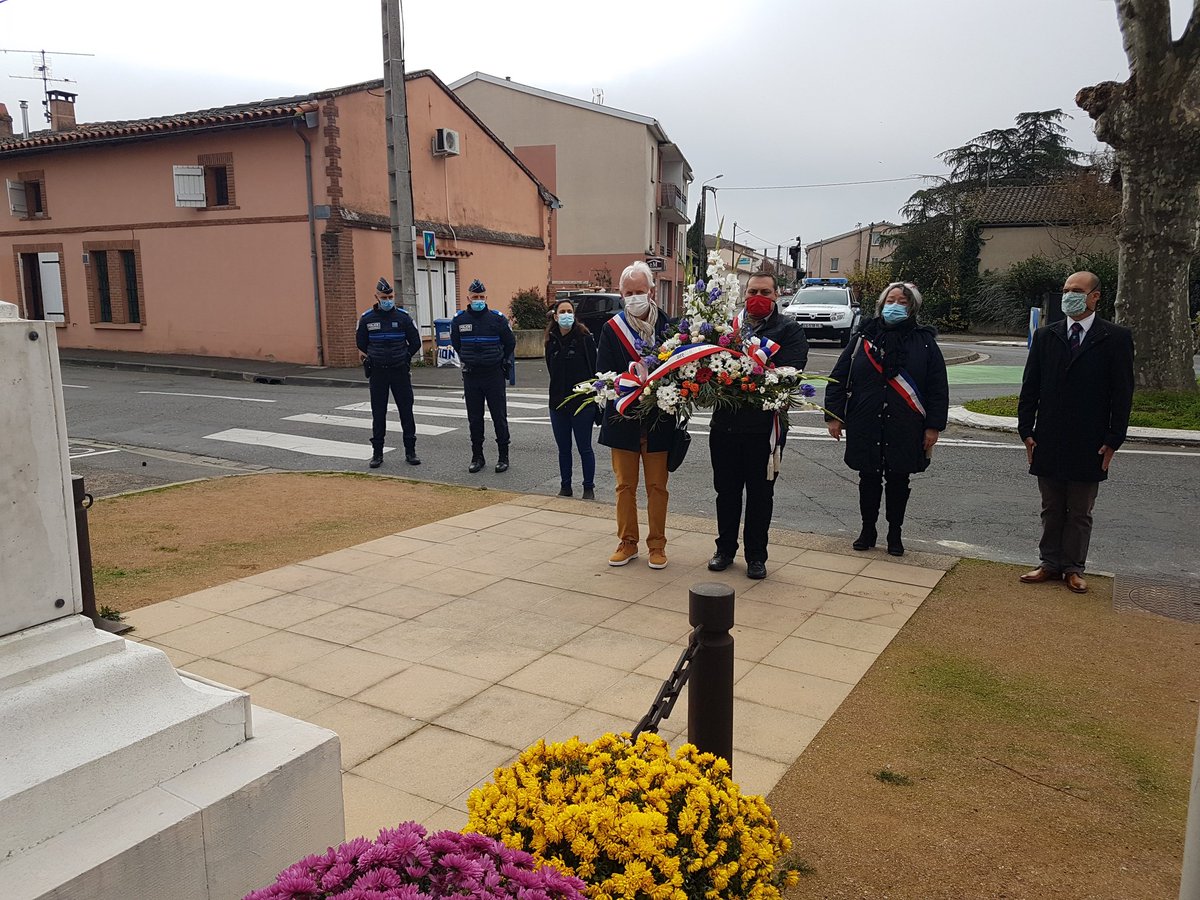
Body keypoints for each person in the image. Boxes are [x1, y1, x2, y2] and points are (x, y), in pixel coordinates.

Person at [1016, 271, 1134, 594]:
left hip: (1090, 441)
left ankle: (1073, 567)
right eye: (1067, 290)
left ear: (1095, 296)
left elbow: (1122, 394)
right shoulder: (1046, 336)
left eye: (1077, 290)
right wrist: (1026, 430)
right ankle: (1049, 563)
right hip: (1048, 437)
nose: (1069, 295)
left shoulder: (1115, 338)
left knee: (1080, 510)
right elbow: (1030, 387)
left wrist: (1114, 439)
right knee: (1051, 507)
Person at [824, 281, 949, 556]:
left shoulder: (924, 342)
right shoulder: (862, 339)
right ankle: (867, 530)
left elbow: (938, 388)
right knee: (867, 478)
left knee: (898, 480)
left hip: (905, 424)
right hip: (865, 420)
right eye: (890, 301)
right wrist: (834, 417)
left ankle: (895, 533)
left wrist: (934, 426)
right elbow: (838, 378)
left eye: (902, 302)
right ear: (881, 305)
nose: (895, 306)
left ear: (912, 308)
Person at [707, 270, 809, 580]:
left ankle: (756, 556)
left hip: (764, 430)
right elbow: (710, 368)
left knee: (760, 496)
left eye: (765, 292)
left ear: (776, 295)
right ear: (744, 294)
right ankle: (725, 550)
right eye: (753, 292)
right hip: (725, 426)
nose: (758, 298)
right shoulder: (728, 328)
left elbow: (790, 372)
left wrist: (747, 377)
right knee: (726, 492)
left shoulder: (789, 330)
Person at [597, 261, 675, 569]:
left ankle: (657, 545)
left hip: (658, 419)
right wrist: (629, 387)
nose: (634, 297)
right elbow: (603, 373)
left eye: (639, 291)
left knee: (657, 487)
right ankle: (627, 542)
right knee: (624, 486)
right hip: (623, 419)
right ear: (621, 294)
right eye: (628, 293)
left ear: (652, 291)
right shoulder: (611, 329)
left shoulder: (669, 327)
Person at [356, 276, 422, 469]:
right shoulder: (367, 319)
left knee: (406, 412)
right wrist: (375, 356)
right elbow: (361, 342)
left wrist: (405, 357)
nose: (388, 300)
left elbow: (415, 342)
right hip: (378, 372)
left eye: (390, 297)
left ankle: (410, 452)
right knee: (378, 413)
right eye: (384, 297)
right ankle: (377, 453)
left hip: (399, 371)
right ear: (377, 297)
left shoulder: (403, 317)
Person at [451, 278, 516, 473]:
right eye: (475, 297)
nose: (478, 300)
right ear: (468, 298)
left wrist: (501, 360)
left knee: (499, 417)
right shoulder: (459, 320)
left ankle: (503, 456)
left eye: (481, 297)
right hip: (472, 376)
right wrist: (468, 358)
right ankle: (477, 457)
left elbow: (510, 343)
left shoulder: (497, 319)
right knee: (475, 419)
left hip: (493, 374)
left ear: (486, 298)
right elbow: (456, 344)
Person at [546, 298, 598, 499]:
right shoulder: (551, 340)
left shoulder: (585, 338)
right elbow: (551, 370)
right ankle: (565, 486)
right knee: (563, 449)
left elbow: (594, 370)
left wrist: (594, 399)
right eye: (562, 312)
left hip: (581, 403)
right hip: (557, 403)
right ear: (555, 316)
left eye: (569, 311)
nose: (566, 315)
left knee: (585, 448)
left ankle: (588, 488)